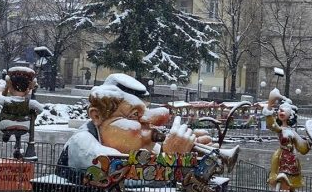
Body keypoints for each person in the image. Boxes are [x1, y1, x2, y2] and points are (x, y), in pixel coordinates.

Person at [59, 73, 213, 171]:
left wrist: (189, 154)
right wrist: (169, 158)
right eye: (134, 116)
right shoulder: (82, 143)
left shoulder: (144, 149)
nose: (147, 129)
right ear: (97, 116)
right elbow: (118, 174)